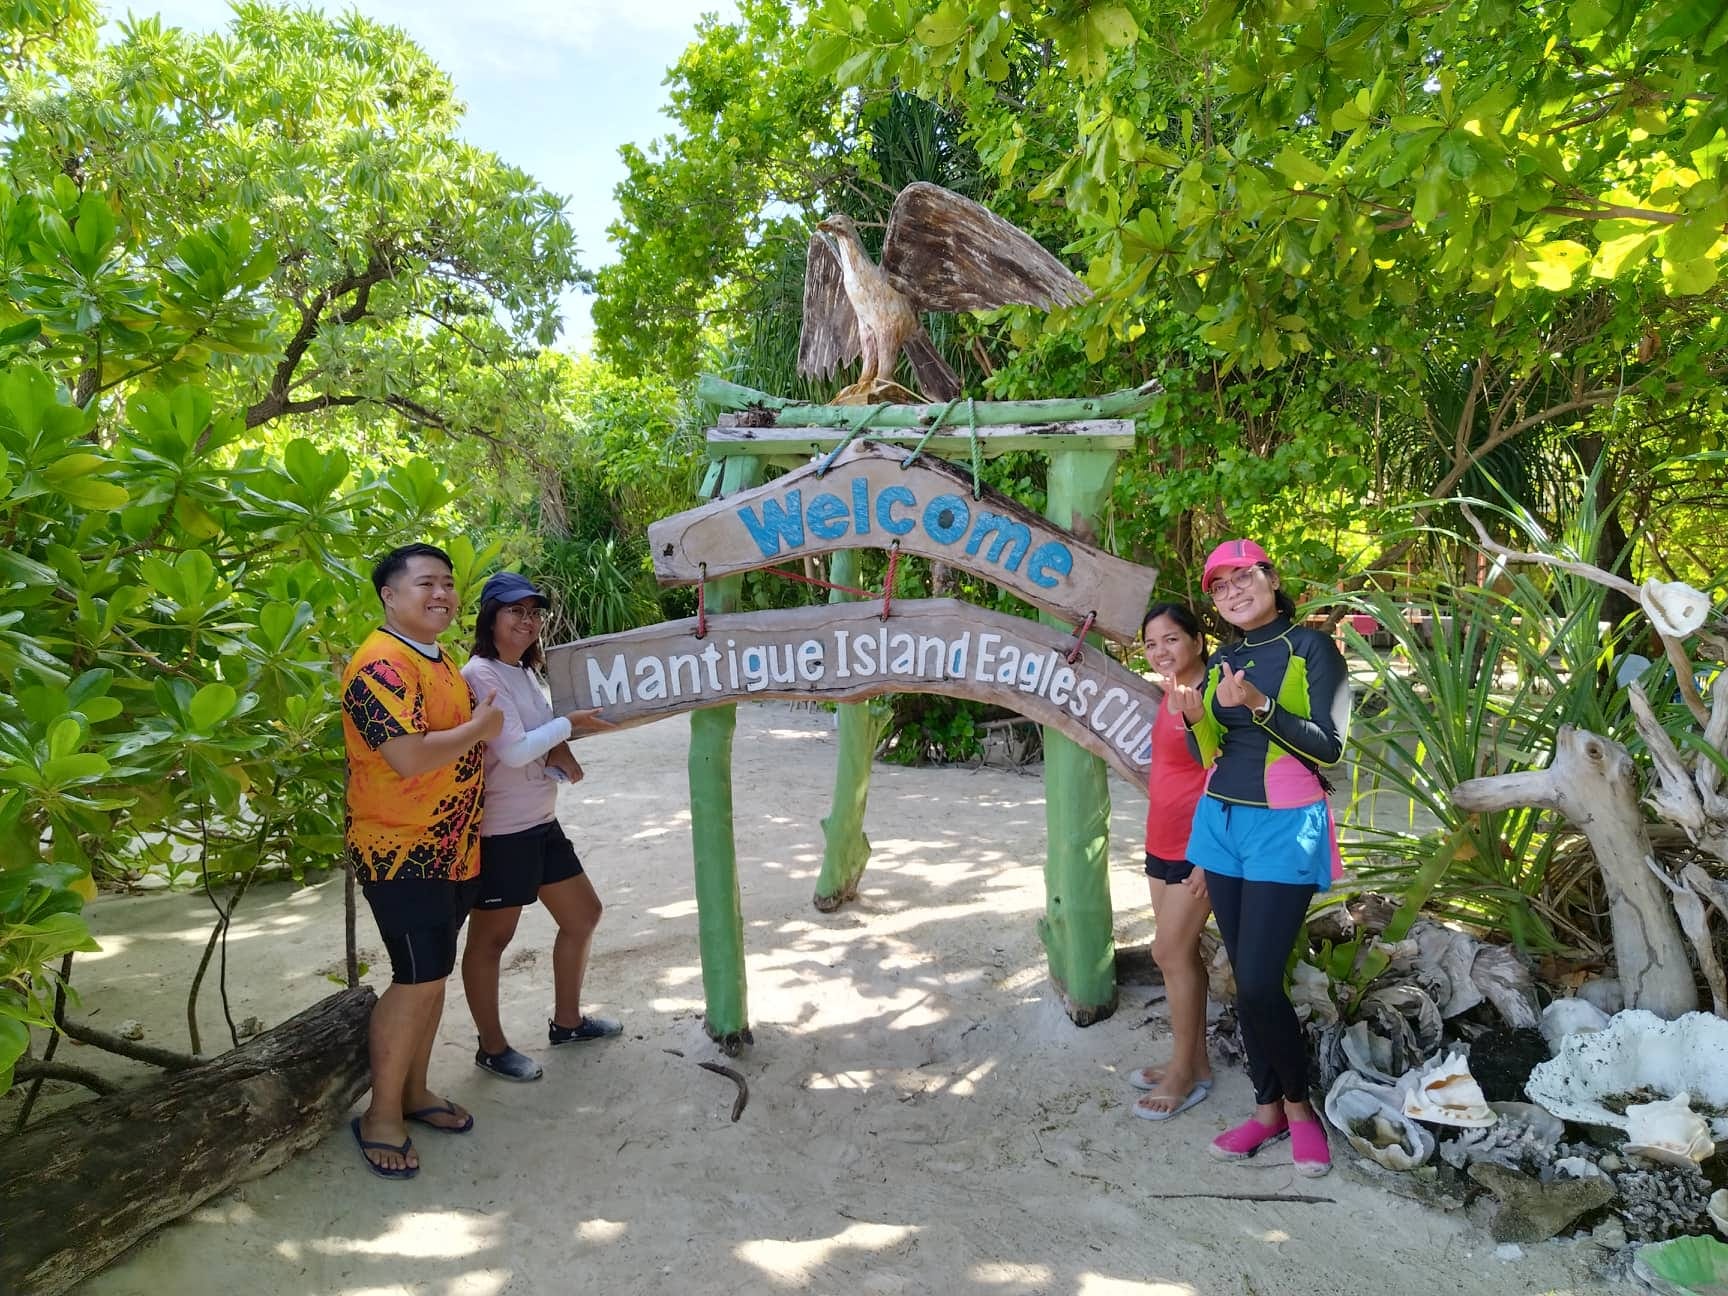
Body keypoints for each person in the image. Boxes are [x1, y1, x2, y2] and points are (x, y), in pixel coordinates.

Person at [1166, 539, 1350, 1177]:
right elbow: (1210, 754)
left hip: (1285, 824)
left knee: (1261, 981)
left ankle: (1301, 1111)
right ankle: (1267, 1109)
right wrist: (1196, 719)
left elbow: (1330, 750)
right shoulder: (1226, 656)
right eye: (1220, 585)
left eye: (1244, 577)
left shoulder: (1313, 648)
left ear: (1271, 578)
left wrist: (1260, 706)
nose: (1233, 591)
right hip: (1220, 823)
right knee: (1243, 981)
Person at [340, 542, 503, 1180]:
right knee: (414, 978)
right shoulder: (378, 664)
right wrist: (481, 728)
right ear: (389, 594)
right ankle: (381, 1115)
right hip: (399, 849)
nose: (441, 594)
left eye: (448, 584)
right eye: (425, 583)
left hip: (453, 848)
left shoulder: (437, 662)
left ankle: (414, 1091)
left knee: (430, 977)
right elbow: (407, 756)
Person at [460, 572, 618, 1082]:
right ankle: (492, 1047)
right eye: (515, 612)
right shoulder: (480, 674)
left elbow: (533, 741)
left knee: (583, 915)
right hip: (502, 833)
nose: (527, 622)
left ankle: (567, 1023)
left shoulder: (524, 672)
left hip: (540, 822)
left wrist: (560, 755)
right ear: (491, 619)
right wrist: (570, 726)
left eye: (533, 613)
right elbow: (512, 748)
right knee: (492, 941)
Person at [1125, 602, 1214, 1121]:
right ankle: (1194, 1062)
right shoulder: (1169, 691)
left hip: (1194, 850)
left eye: (1172, 640)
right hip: (1159, 841)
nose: (1161, 651)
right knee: (1181, 957)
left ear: (1198, 641)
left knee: (1167, 952)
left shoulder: (1210, 697)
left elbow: (1222, 776)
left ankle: (1182, 1073)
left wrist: (1206, 858)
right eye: (1152, 643)